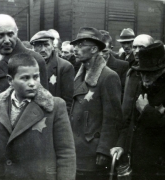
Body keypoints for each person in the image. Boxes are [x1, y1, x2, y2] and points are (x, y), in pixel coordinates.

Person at [0, 53, 76, 180]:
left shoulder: (55, 106)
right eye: (25, 78)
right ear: (10, 80)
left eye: (36, 77)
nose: (33, 83)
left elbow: (66, 153)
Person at [111, 43, 165, 180]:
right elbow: (130, 120)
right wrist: (121, 145)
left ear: (162, 70)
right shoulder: (144, 86)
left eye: (150, 73)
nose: (145, 77)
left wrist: (146, 110)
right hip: (141, 166)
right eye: (142, 73)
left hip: (164, 169)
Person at [70, 27, 123, 180]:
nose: (75, 49)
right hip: (77, 149)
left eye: (81, 45)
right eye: (75, 45)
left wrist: (104, 149)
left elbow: (113, 117)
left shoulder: (108, 77)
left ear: (94, 49)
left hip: (93, 151)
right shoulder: (79, 75)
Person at [109, 34, 154, 179]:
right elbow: (126, 113)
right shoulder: (132, 73)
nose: (136, 50)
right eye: (134, 46)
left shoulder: (162, 75)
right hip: (131, 142)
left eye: (141, 47)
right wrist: (121, 143)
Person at [0, 14, 48, 95]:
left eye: (10, 34)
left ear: (17, 32)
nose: (6, 40)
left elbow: (42, 100)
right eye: (0, 35)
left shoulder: (35, 59)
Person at [30, 30, 74, 113]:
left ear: (53, 46)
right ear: (33, 48)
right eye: (39, 45)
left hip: (53, 116)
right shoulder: (27, 66)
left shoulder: (65, 67)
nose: (43, 49)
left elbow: (68, 102)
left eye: (46, 45)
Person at [99, 30, 129, 101]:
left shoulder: (123, 66)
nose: (100, 54)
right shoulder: (86, 65)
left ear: (111, 49)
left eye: (104, 51)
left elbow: (123, 93)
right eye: (98, 50)